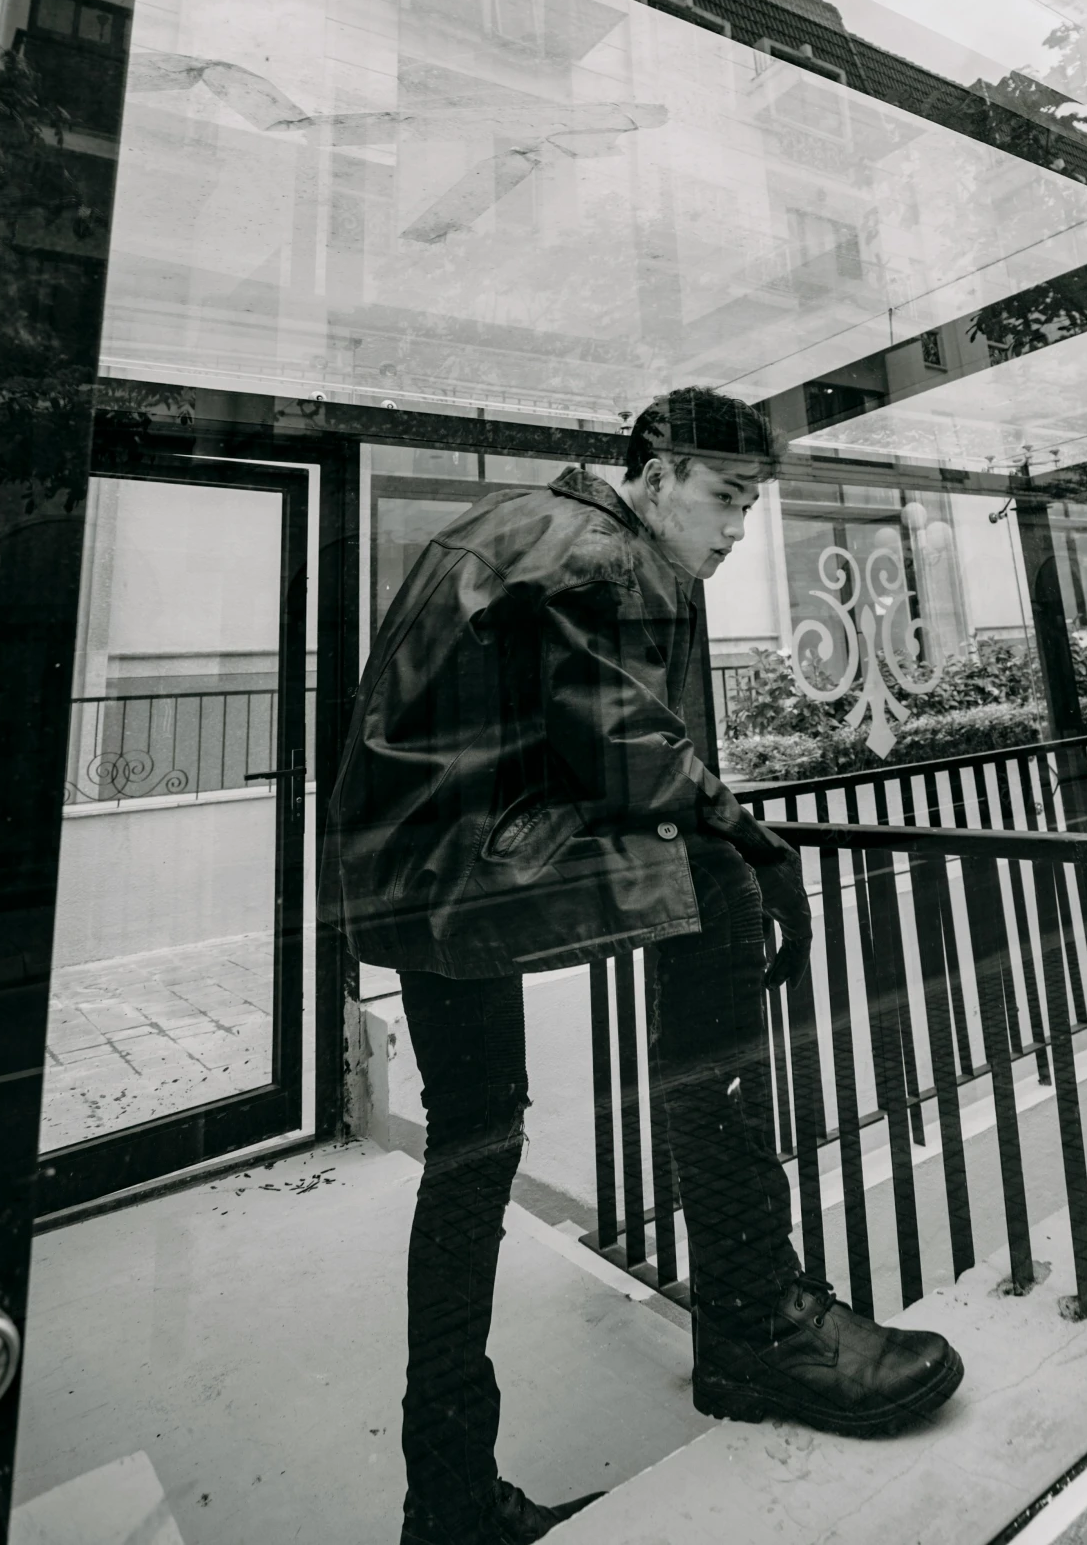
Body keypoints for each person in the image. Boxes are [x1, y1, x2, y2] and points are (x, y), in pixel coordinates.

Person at [324, 387, 963, 1545]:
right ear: (657, 471)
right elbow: (626, 746)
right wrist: (759, 846)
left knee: (471, 1147)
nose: (734, 529)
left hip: (419, 874)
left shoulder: (521, 526)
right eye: (725, 497)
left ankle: (450, 1498)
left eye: (752, 505)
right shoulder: (604, 550)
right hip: (474, 861)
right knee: (717, 888)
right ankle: (756, 1319)